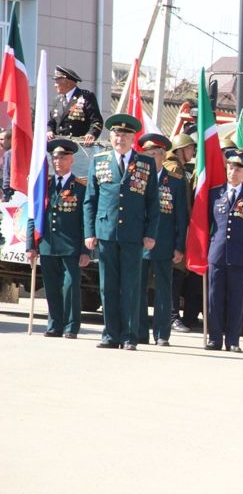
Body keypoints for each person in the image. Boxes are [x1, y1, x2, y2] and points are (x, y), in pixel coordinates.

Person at [83, 114, 159, 350]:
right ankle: (110, 335)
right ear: (111, 136)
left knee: (131, 287)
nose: (120, 138)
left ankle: (129, 336)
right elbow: (90, 201)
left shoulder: (145, 163)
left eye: (125, 134)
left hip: (134, 235)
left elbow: (153, 204)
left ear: (133, 138)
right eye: (116, 133)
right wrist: (89, 232)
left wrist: (150, 233)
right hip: (106, 232)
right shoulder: (99, 161)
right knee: (107, 286)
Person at [25, 139, 90, 338]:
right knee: (51, 288)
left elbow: (85, 220)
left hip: (71, 246)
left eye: (62, 157)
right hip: (48, 245)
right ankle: (54, 325)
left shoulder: (80, 186)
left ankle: (71, 327)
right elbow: (33, 215)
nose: (58, 161)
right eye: (54, 157)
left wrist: (86, 250)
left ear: (71, 160)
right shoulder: (45, 185)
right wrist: (31, 245)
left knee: (70, 287)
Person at [206, 149, 243, 352]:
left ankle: (233, 340)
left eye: (239, 169)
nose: (234, 172)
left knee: (236, 300)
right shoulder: (214, 193)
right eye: (231, 167)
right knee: (214, 299)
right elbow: (205, 226)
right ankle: (214, 338)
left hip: (240, 257)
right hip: (217, 254)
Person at [136, 134, 188, 347]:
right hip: (138, 244)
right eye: (147, 154)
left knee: (164, 290)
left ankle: (162, 334)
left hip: (164, 243)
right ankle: (139, 332)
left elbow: (182, 217)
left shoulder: (175, 182)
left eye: (155, 154)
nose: (150, 158)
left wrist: (179, 246)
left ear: (163, 156)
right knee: (137, 289)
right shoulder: (137, 179)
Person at [164, 133, 199, 333]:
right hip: (173, 229)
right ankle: (172, 316)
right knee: (174, 274)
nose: (193, 152)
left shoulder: (179, 168)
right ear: (180, 149)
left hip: (176, 228)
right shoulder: (175, 169)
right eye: (190, 148)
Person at [46, 66, 103, 146]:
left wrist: (91, 134)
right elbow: (51, 122)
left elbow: (97, 122)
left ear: (67, 82)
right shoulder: (57, 100)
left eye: (57, 81)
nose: (55, 85)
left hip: (79, 148)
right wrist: (49, 131)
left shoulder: (86, 97)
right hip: (59, 147)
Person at [2, 128, 13, 201]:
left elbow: (6, 175)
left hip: (11, 191)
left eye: (3, 139)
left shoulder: (8, 154)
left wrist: (5, 195)